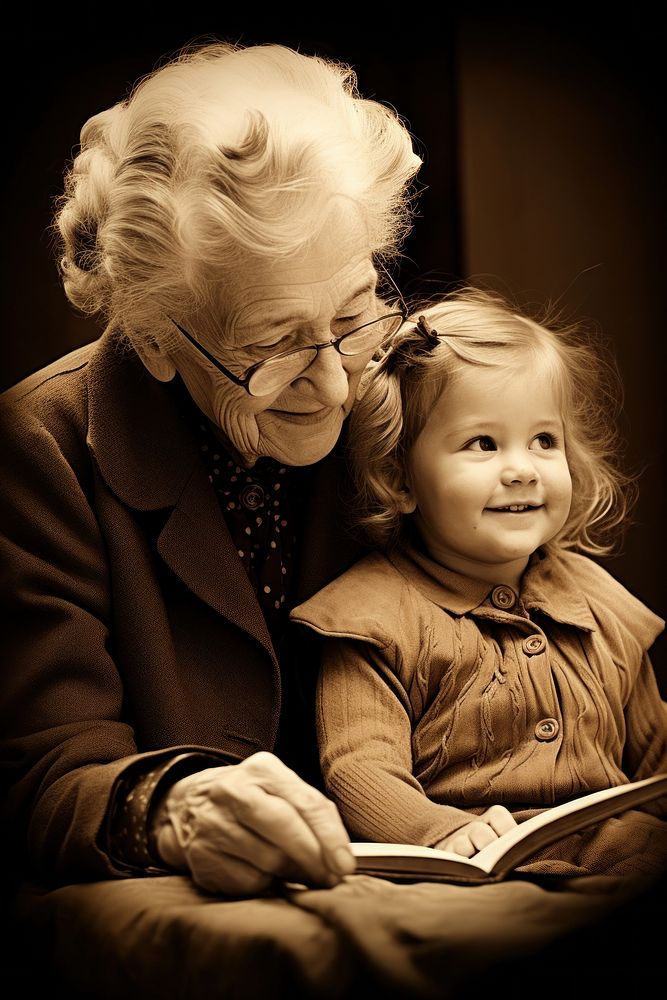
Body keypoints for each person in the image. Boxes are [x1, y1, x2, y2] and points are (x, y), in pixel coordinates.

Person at [0, 38, 423, 903]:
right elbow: (42, 773)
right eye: (270, 345)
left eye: (352, 311)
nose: (337, 383)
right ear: (155, 336)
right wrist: (171, 807)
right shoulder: (39, 446)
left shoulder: (417, 385)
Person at [290, 290, 667, 875]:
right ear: (399, 477)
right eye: (482, 444)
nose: (522, 468)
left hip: (621, 859)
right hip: (472, 872)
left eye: (544, 440)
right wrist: (438, 833)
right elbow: (359, 768)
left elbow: (655, 759)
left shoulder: (597, 603)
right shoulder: (372, 617)